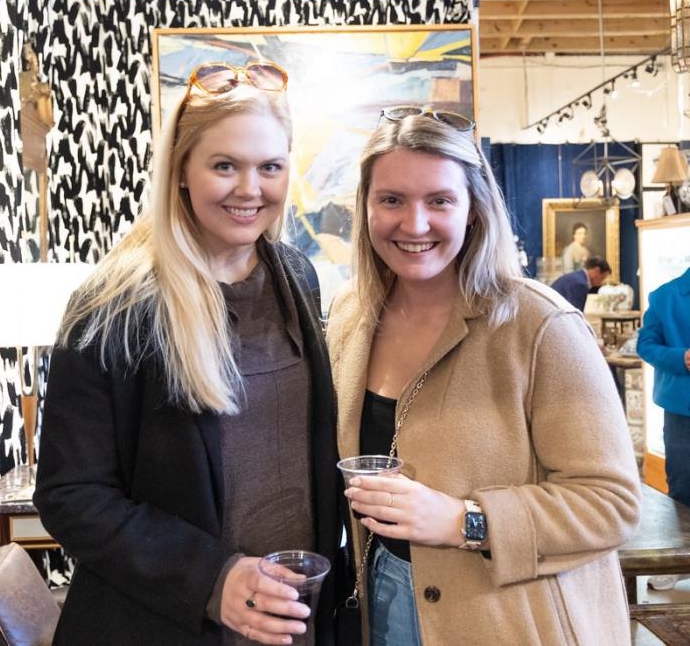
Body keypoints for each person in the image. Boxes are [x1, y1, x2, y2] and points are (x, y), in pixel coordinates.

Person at [34, 61, 343, 645]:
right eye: (225, 165)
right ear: (181, 170)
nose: (250, 189)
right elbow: (70, 495)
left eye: (270, 167)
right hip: (164, 626)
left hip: (293, 619)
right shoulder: (113, 306)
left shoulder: (297, 277)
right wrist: (212, 579)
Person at [325, 106, 641, 645]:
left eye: (439, 200)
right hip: (380, 601)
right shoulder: (350, 315)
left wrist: (465, 520)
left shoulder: (540, 325)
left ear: (473, 208)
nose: (415, 224)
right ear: (366, 207)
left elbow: (612, 502)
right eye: (392, 199)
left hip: (507, 618)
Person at [637, 267, 690, 591]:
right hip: (682, 409)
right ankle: (678, 562)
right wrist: (681, 358)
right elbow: (646, 345)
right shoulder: (665, 296)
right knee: (682, 484)